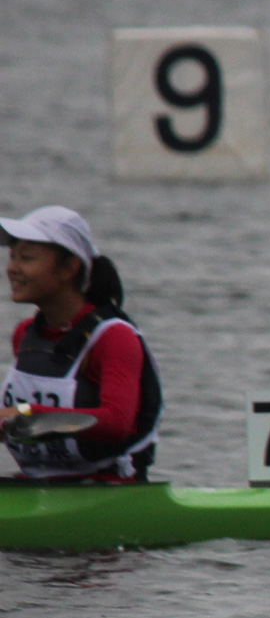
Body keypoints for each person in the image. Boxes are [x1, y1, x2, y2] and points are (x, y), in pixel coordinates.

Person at [4, 206, 162, 481]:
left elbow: (117, 423)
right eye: (12, 257)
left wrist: (26, 415)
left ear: (68, 268)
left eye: (27, 258)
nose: (12, 269)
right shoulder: (26, 335)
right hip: (38, 484)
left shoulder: (113, 337)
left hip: (111, 489)